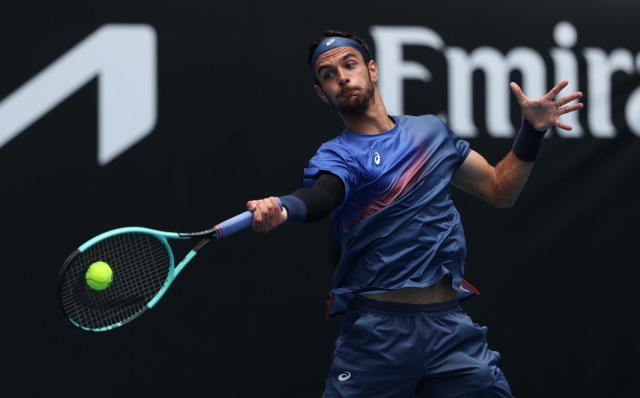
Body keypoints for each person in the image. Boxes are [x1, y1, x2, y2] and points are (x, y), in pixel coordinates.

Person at [246, 30, 583, 397]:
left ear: (372, 70)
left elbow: (500, 189)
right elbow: (322, 195)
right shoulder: (338, 156)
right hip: (377, 337)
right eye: (328, 74)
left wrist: (532, 132)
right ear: (321, 92)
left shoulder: (430, 132)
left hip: (450, 333)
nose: (341, 76)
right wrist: (285, 207)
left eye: (349, 64)